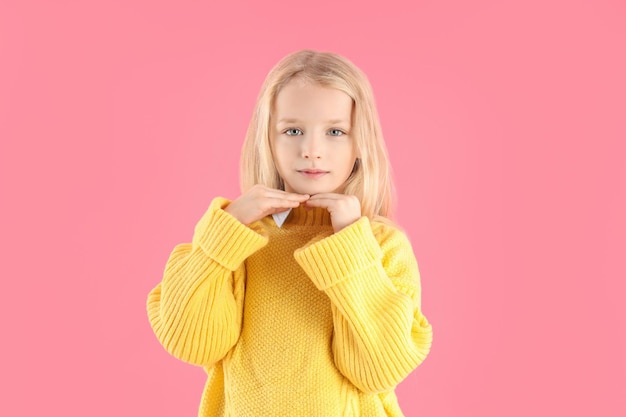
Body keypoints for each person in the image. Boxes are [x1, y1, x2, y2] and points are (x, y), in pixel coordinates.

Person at [146, 49, 433, 417]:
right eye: (293, 130)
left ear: (360, 143)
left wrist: (349, 245)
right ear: (268, 139)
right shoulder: (237, 239)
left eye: (335, 132)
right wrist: (226, 231)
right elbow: (191, 342)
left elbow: (379, 369)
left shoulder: (380, 245)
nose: (311, 150)